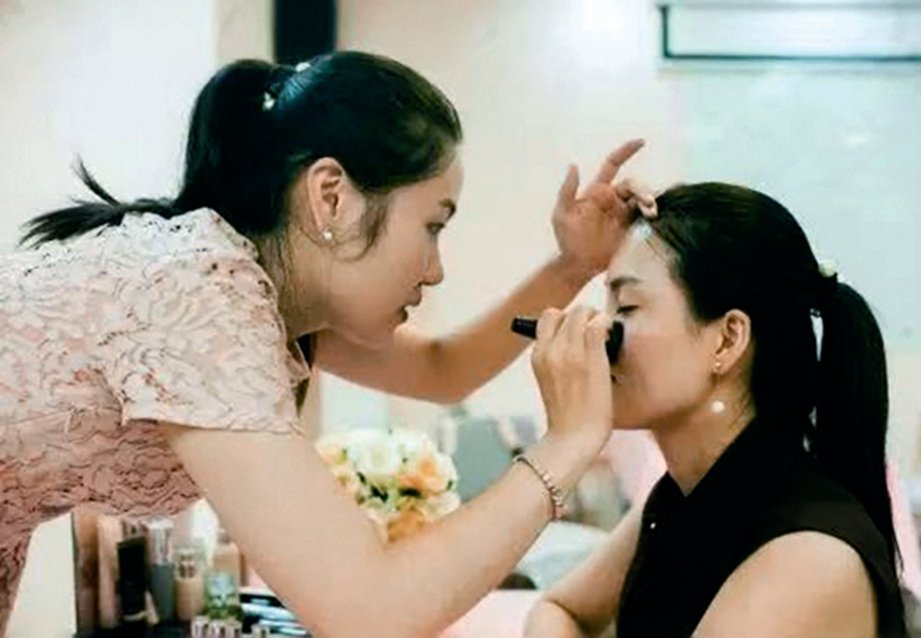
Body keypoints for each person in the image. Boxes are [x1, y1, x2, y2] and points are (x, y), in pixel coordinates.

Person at [0, 51, 643, 636]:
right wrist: (567, 444)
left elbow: (444, 370)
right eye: (432, 227)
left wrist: (572, 267)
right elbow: (367, 611)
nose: (434, 269)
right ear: (331, 196)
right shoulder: (196, 289)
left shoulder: (268, 298)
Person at [524, 182, 907, 637]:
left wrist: (566, 441)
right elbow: (560, 608)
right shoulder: (684, 492)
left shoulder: (806, 557)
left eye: (626, 306)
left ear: (726, 339)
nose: (598, 331)